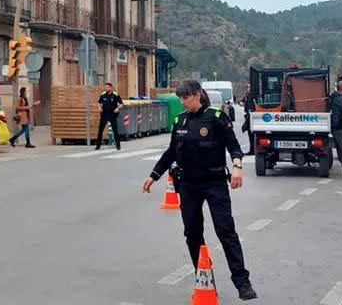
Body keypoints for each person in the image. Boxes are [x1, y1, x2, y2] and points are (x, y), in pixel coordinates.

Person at [143, 80, 257, 301]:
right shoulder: (180, 121)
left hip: (214, 182)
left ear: (197, 95)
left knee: (225, 230)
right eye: (180, 99)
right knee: (192, 233)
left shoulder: (215, 118)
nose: (182, 103)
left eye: (185, 98)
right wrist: (153, 175)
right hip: (188, 185)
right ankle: (203, 277)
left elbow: (234, 146)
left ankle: (243, 283)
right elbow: (170, 153)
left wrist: (237, 168)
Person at [95, 82, 123, 151]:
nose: (106, 88)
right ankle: (98, 145)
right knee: (100, 130)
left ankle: (118, 146)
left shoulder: (115, 95)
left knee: (115, 131)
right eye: (105, 87)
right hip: (104, 115)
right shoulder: (103, 94)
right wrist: (99, 107)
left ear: (111, 87)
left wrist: (118, 108)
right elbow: (99, 102)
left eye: (107, 87)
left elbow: (121, 104)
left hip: (112, 115)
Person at [240, 84, 256, 155]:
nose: (248, 90)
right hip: (248, 115)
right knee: (250, 133)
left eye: (249, 88)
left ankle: (253, 149)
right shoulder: (246, 96)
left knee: (252, 133)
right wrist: (241, 103)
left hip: (252, 115)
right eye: (247, 88)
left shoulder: (253, 95)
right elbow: (241, 101)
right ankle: (251, 149)